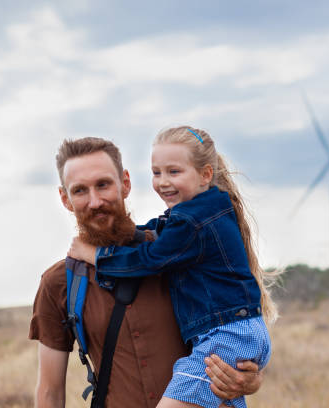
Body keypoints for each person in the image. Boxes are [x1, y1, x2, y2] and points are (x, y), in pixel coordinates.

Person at [29, 137, 264, 408]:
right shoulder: (59, 282)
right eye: (80, 190)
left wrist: (251, 379)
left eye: (103, 185)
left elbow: (237, 331)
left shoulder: (177, 250)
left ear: (125, 183)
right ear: (65, 199)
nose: (95, 201)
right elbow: (49, 392)